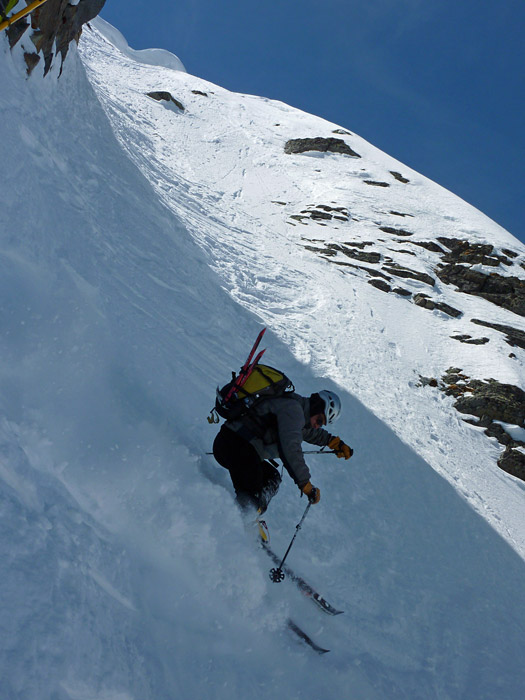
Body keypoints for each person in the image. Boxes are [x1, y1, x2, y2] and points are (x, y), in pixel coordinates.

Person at [213, 389, 353, 515]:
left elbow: (308, 433)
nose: (318, 425)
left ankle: (250, 514)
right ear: (316, 406)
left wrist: (334, 442)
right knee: (253, 492)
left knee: (271, 477)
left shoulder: (297, 413)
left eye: (322, 424)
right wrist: (305, 484)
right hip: (235, 444)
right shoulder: (293, 411)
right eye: (320, 420)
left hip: (237, 446)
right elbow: (291, 449)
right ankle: (237, 518)